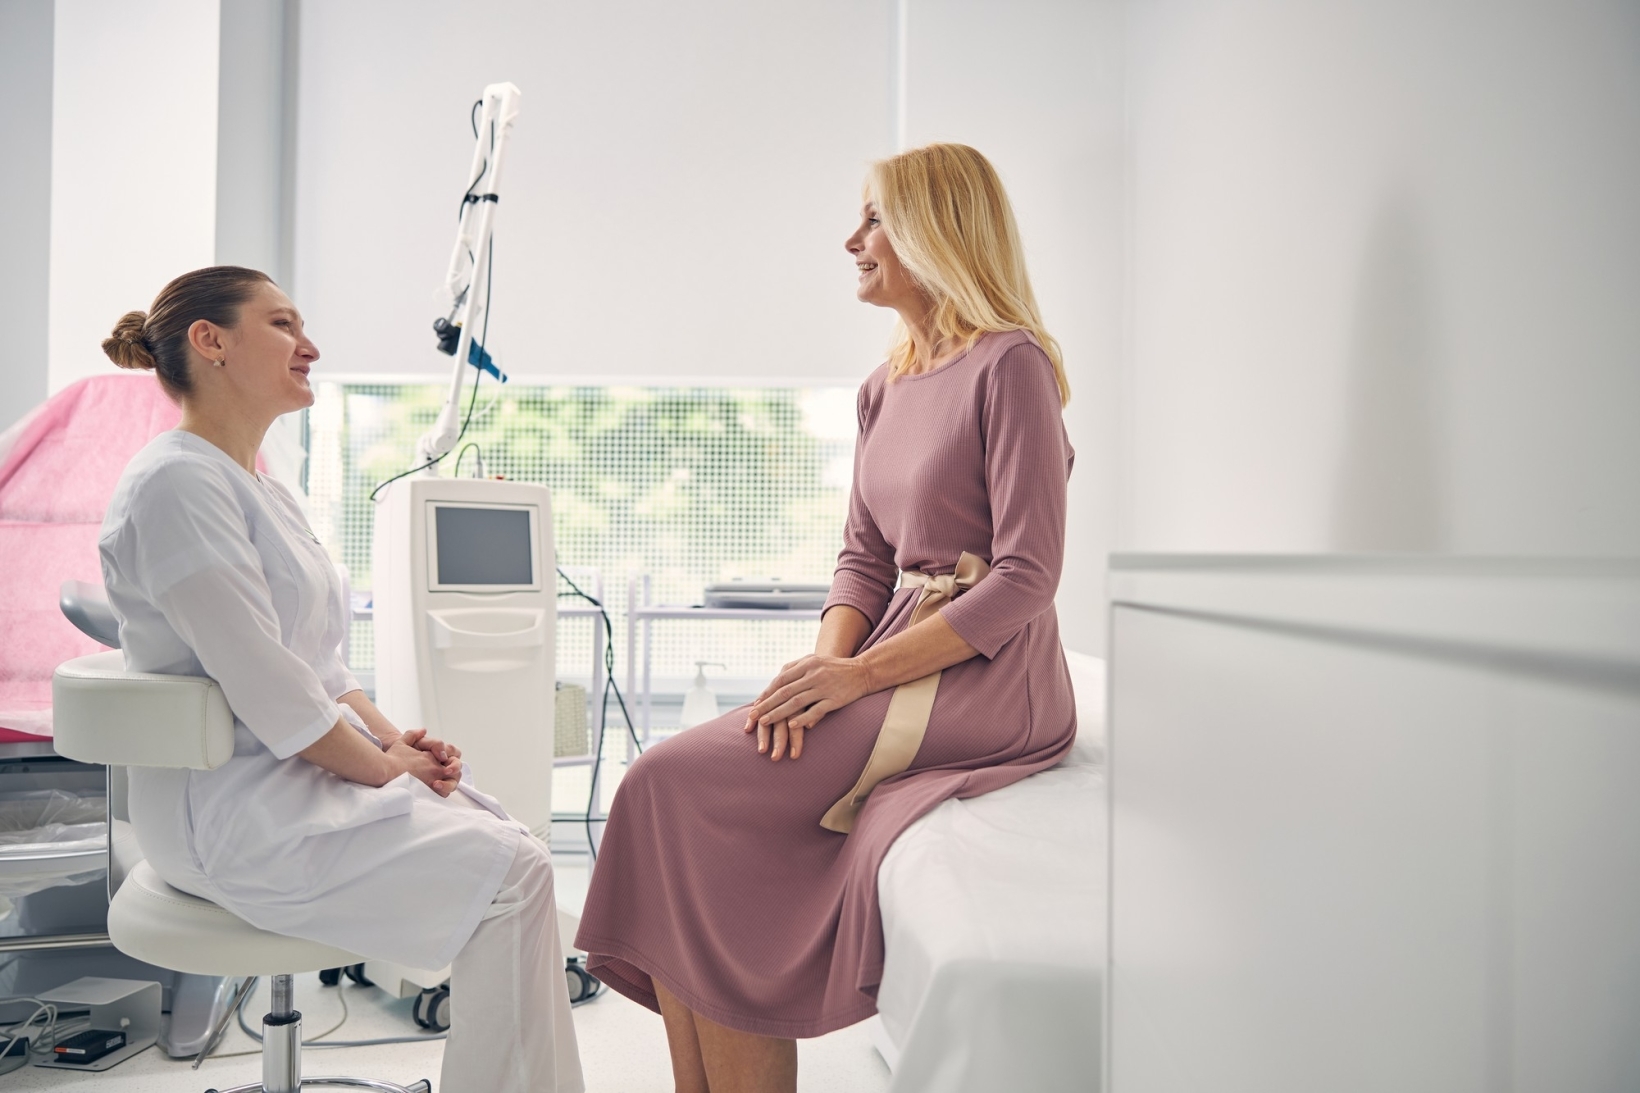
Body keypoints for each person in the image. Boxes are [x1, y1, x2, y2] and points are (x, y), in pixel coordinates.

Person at [575, 142, 1078, 1093]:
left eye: (876, 219)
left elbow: (1027, 575)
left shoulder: (1010, 367)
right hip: (894, 653)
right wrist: (819, 673)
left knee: (675, 784)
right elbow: (863, 560)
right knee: (661, 791)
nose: (853, 240)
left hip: (989, 675)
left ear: (938, 230)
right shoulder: (884, 385)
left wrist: (856, 681)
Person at [97, 267, 582, 1093]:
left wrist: (398, 740)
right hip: (232, 812)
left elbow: (319, 665)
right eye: (283, 324)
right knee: (512, 875)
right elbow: (269, 686)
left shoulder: (255, 483)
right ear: (210, 342)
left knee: (516, 850)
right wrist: (384, 767)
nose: (310, 346)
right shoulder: (176, 483)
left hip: (291, 777)